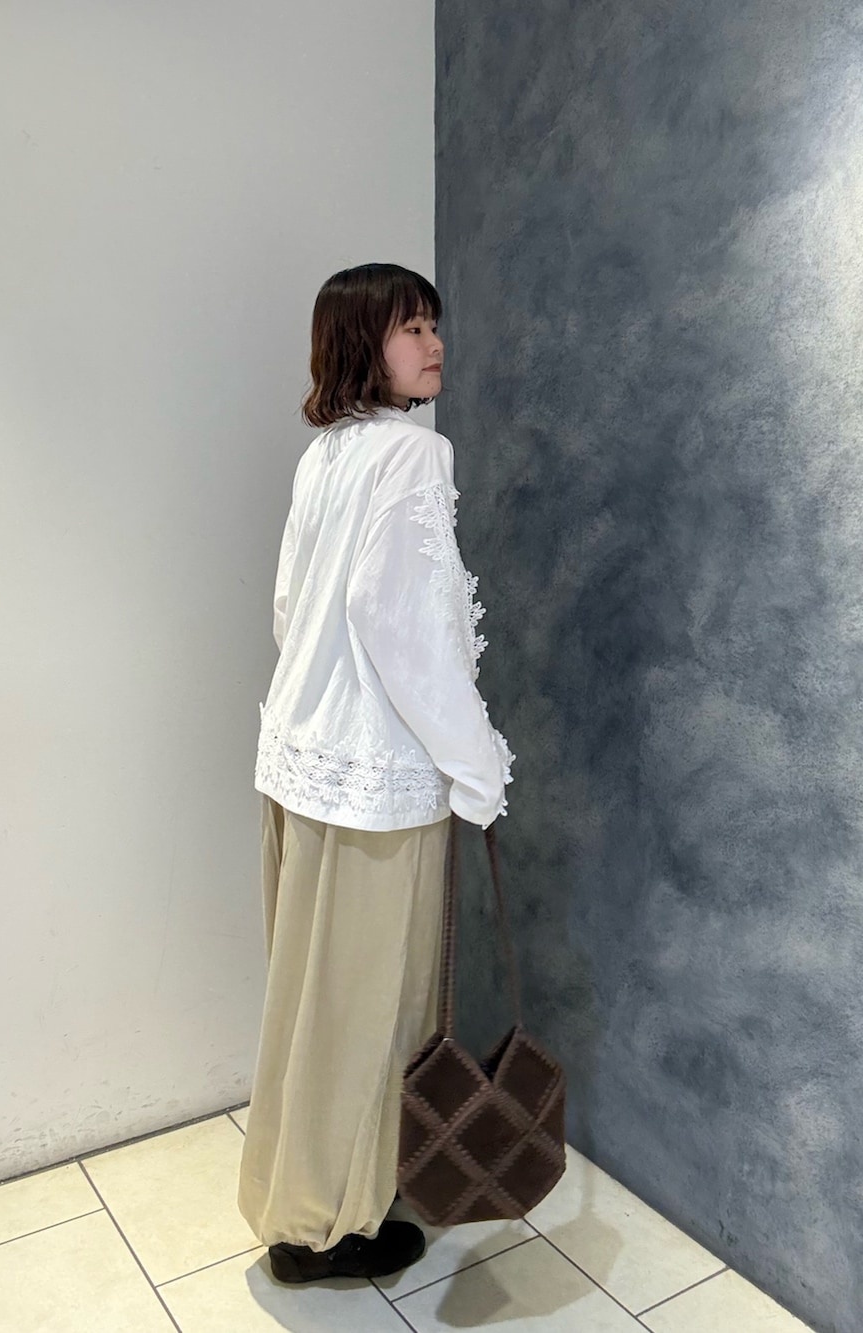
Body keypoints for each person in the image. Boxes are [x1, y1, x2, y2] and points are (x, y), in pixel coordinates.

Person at [237, 262, 514, 1284]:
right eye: (410, 328)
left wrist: (326, 699)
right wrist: (477, 765)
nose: (434, 344)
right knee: (368, 1016)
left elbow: (290, 609)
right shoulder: (411, 452)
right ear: (362, 342)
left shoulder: (326, 456)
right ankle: (328, 1225)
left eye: (434, 324)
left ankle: (304, 1203)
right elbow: (406, 628)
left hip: (297, 763)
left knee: (310, 1010)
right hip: (373, 786)